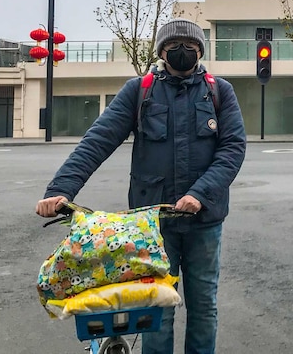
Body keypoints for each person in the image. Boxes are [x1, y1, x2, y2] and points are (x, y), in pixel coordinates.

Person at [35, 18, 247, 354]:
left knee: (204, 307)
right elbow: (97, 140)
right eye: (174, 46)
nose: (182, 52)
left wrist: (200, 194)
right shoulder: (140, 90)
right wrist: (61, 189)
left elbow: (233, 148)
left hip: (204, 222)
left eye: (190, 47)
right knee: (155, 311)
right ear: (162, 51)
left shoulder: (219, 91)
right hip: (153, 225)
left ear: (200, 52)